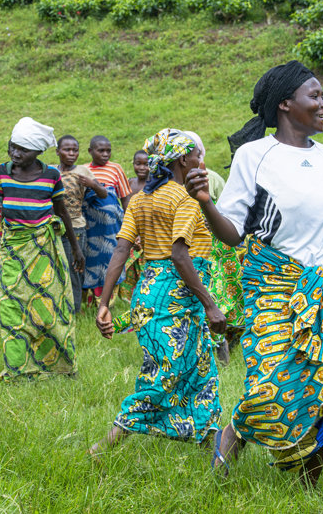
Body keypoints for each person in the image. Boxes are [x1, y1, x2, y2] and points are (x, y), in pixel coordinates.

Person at [185, 61, 323, 485]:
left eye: (322, 97)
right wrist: (205, 202)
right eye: (315, 96)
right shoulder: (254, 156)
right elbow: (232, 235)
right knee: (273, 389)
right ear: (285, 104)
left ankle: (309, 482)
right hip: (273, 289)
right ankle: (233, 436)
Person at [91, 128, 224, 455]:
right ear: (183, 160)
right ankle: (103, 447)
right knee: (165, 377)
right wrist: (211, 304)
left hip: (151, 293)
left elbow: (120, 252)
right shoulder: (185, 199)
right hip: (176, 300)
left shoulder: (140, 199)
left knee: (199, 370)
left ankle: (215, 449)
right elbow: (180, 255)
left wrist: (104, 303)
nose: (200, 161)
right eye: (197, 156)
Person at [0, 117, 84, 380]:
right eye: (12, 147)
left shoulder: (51, 175)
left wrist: (75, 248)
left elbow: (61, 210)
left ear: (38, 152)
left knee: (50, 306)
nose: (15, 153)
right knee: (12, 306)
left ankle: (61, 364)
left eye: (23, 149)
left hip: (44, 247)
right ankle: (17, 367)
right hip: (12, 248)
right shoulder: (1, 172)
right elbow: (0, 208)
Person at [183, 130, 237, 365]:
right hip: (188, 248)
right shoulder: (171, 186)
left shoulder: (212, 178)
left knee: (214, 293)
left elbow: (226, 210)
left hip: (212, 246)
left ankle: (220, 346)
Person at [53, 134, 107, 313]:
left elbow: (103, 194)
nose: (71, 153)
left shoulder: (83, 171)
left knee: (74, 270)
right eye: (66, 150)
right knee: (54, 270)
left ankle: (73, 310)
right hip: (52, 228)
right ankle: (56, 308)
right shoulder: (51, 172)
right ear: (57, 151)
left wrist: (93, 184)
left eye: (75, 150)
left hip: (76, 227)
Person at [83, 135, 131, 303]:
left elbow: (125, 197)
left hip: (111, 228)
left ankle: (109, 300)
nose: (105, 154)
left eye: (108, 151)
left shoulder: (116, 169)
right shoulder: (83, 170)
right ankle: (89, 300)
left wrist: (130, 222)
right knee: (90, 257)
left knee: (111, 257)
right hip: (89, 228)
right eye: (100, 150)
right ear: (90, 151)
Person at [119, 150, 151, 303]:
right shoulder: (130, 183)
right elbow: (125, 210)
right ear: (133, 164)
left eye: (146, 164)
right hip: (132, 231)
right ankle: (134, 299)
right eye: (138, 164)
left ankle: (147, 297)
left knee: (147, 269)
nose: (142, 168)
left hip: (150, 233)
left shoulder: (154, 185)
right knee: (132, 269)